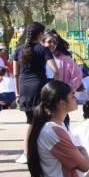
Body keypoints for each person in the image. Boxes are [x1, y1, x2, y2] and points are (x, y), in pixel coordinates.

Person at [13, 22, 60, 164]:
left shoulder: (18, 49)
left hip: (24, 88)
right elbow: (56, 70)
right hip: (40, 87)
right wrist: (54, 85)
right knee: (44, 121)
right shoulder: (42, 49)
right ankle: (43, 152)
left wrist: (17, 93)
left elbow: (15, 74)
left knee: (30, 122)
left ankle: (26, 153)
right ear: (40, 34)